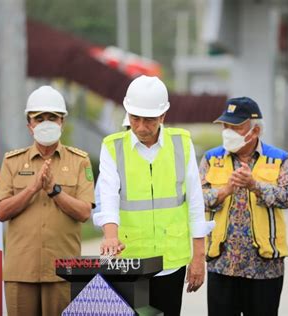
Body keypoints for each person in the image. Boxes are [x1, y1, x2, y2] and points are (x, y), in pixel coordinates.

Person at [93, 75, 213, 315]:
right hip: (130, 260)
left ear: (162, 116)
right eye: (135, 118)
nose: (140, 127)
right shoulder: (112, 147)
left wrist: (198, 256)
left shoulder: (182, 143)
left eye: (148, 120)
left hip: (171, 261)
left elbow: (195, 203)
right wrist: (110, 236)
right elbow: (107, 195)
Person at [0, 86, 95, 315]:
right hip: (21, 272)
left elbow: (84, 212)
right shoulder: (13, 162)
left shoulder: (79, 161)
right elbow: (1, 211)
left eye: (52, 117)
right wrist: (32, 189)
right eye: (39, 118)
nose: (46, 123)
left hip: (63, 271)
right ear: (29, 125)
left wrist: (54, 190)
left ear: (62, 122)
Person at [199, 97, 288, 316]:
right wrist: (224, 191)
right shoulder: (211, 159)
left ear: (255, 130)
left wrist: (255, 186)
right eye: (226, 126)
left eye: (236, 126)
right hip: (222, 263)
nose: (228, 131)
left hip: (264, 266)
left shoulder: (279, 159)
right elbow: (198, 199)